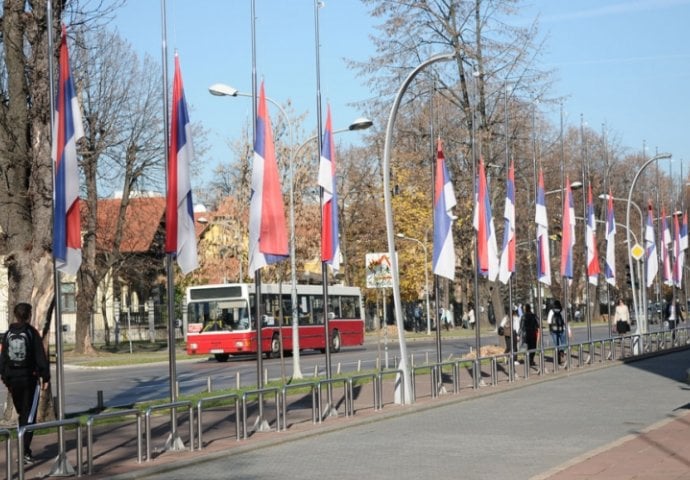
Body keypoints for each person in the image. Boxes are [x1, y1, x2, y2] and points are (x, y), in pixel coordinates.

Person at [0, 303, 50, 466]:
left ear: (15, 315)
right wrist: (45, 377)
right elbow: (40, 356)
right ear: (29, 315)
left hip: (13, 380)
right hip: (29, 379)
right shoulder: (31, 333)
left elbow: (2, 359)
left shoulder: (7, 334)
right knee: (28, 417)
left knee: (23, 414)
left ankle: (25, 451)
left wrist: (6, 379)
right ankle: (23, 453)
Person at [547, 300, 567, 365]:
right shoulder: (562, 310)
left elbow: (549, 321)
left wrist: (550, 329)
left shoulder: (551, 311)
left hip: (553, 330)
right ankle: (562, 350)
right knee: (564, 342)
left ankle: (558, 358)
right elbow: (565, 320)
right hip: (561, 329)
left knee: (556, 344)